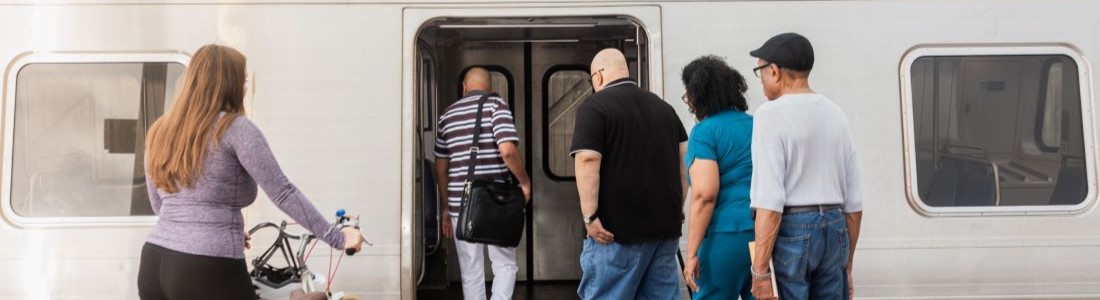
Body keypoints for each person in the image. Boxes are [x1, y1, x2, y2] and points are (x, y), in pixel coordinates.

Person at [138, 44, 364, 300]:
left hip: (154, 262)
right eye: (243, 80)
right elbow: (283, 192)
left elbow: (161, 205)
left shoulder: (159, 131)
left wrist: (217, 226)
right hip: (206, 266)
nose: (245, 87)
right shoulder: (235, 129)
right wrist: (337, 237)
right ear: (229, 84)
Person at [746, 33, 864, 300]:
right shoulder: (836, 112)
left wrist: (760, 272)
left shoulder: (769, 114)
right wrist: (847, 264)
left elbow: (770, 201)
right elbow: (854, 203)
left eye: (760, 71)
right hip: (835, 228)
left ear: (774, 71)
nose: (761, 80)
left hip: (793, 229)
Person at [572, 48, 688, 300]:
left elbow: (587, 158)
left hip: (615, 235)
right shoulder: (664, 109)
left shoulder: (595, 107)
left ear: (599, 77)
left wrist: (590, 216)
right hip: (664, 232)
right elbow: (684, 161)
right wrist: (677, 207)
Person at [433, 67, 531, 300]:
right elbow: (507, 150)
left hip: (460, 203)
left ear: (464, 87)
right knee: (504, 265)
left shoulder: (446, 115)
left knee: (470, 271)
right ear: (491, 87)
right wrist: (525, 182)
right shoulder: (496, 106)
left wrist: (447, 206)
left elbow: (440, 167)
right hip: (498, 202)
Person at [679, 55, 755, 300]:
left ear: (698, 95)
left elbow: (704, 195)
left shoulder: (704, 132)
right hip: (763, 233)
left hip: (724, 236)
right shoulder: (757, 124)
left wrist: (691, 253)